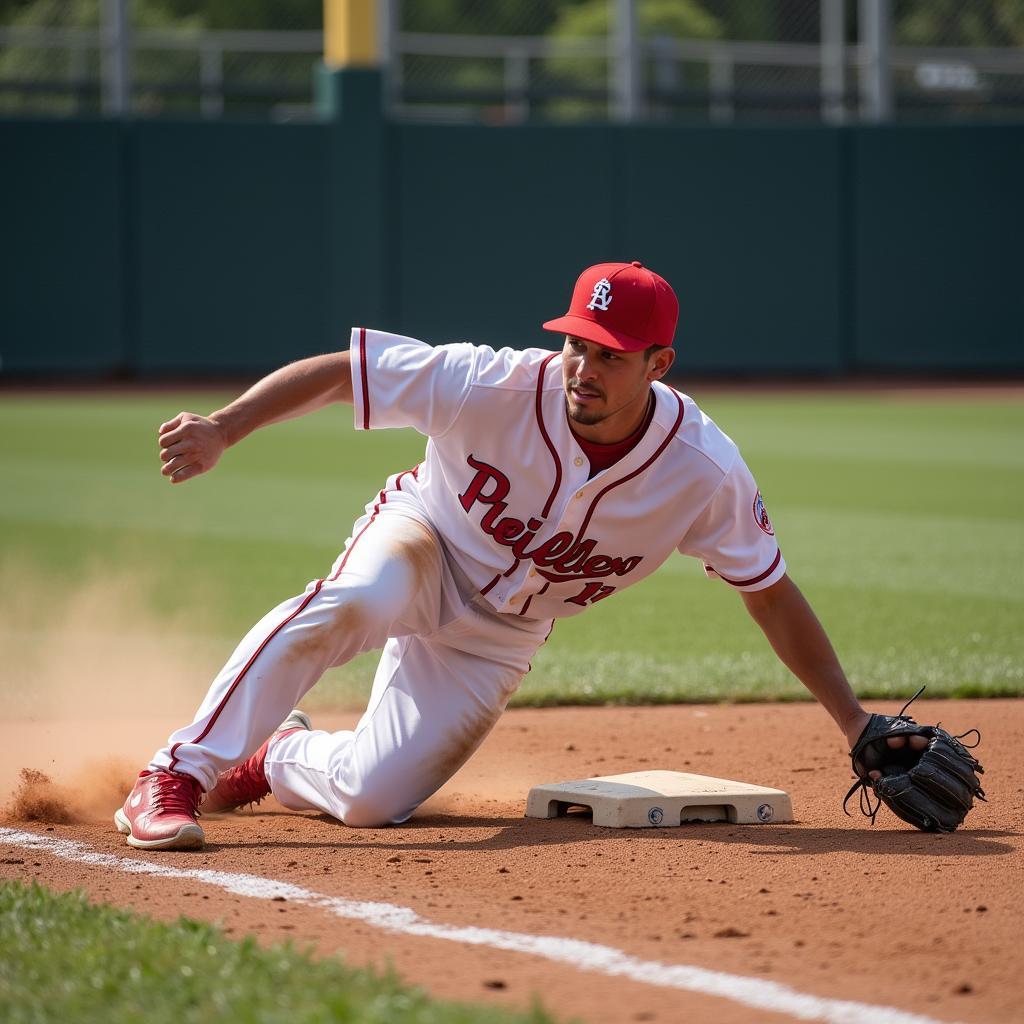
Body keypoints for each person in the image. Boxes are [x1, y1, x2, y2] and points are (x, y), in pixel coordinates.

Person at [115, 260, 876, 851]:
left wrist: (854, 724)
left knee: (373, 803)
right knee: (353, 603)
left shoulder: (702, 471)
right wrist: (225, 426)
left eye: (611, 354)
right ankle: (173, 774)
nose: (584, 367)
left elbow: (769, 591)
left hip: (502, 635)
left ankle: (276, 756)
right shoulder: (492, 382)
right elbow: (343, 375)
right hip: (425, 540)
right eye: (577, 342)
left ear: (659, 363)